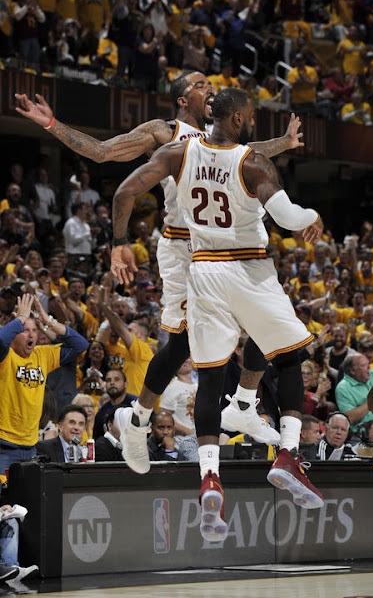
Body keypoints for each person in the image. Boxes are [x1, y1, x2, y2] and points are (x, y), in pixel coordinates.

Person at [15, 71, 304, 477]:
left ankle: (242, 405)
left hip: (223, 251)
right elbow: (101, 151)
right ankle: (136, 423)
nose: (212, 87)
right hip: (183, 249)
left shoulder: (219, 136)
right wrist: (50, 123)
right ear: (184, 99)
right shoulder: (165, 132)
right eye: (203, 83)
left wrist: (284, 144)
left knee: (262, 322)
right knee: (184, 344)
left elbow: (250, 150)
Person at [110, 87, 325, 543]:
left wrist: (118, 242)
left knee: (208, 378)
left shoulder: (178, 152)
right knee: (287, 357)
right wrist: (312, 214)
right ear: (240, 119)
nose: (252, 123)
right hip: (247, 269)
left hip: (203, 270)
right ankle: (288, 456)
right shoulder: (252, 162)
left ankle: (210, 478)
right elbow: (286, 216)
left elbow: (126, 190)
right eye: (250, 117)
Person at [0, 294, 88, 474]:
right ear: (15, 334)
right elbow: (2, 339)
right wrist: (21, 318)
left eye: (34, 330)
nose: (31, 334)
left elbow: (81, 345)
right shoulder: (5, 356)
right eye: (25, 330)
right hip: (4, 445)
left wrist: (48, 321)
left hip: (31, 446)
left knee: (28, 499)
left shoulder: (43, 355)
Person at [335, 353, 373, 435]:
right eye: (363, 366)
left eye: (368, 364)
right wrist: (372, 400)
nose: (369, 368)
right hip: (362, 437)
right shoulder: (343, 388)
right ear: (352, 371)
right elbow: (349, 418)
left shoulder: (371, 376)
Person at [158, 358, 196, 446]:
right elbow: (163, 418)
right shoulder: (172, 388)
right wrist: (189, 432)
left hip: (199, 441)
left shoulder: (198, 386)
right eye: (182, 358)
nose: (186, 361)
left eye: (188, 358)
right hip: (181, 442)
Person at [92, 368, 137, 440]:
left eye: (117, 379)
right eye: (108, 380)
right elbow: (97, 440)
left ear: (125, 384)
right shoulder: (101, 412)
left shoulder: (136, 404)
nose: (112, 383)